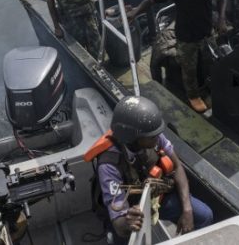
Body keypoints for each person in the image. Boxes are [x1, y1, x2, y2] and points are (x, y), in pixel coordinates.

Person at [86, 96, 213, 243]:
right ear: (133, 138)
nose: (158, 137)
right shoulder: (109, 165)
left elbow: (177, 167)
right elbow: (119, 223)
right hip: (130, 211)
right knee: (123, 236)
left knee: (204, 216)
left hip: (156, 198)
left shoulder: (152, 136)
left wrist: (187, 210)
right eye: (152, 136)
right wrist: (128, 223)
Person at [128, 0, 226, 113]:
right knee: (189, 68)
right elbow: (151, 0)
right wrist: (135, 12)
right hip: (186, 36)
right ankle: (193, 95)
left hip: (207, 32)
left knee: (211, 60)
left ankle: (210, 84)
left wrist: (221, 18)